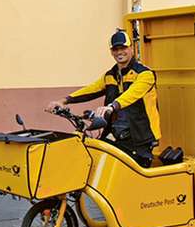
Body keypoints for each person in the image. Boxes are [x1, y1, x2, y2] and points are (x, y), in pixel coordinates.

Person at [47, 29, 161, 167]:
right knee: (97, 157)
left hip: (140, 134)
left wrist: (111, 106)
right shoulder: (110, 75)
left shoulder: (145, 74)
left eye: (123, 48)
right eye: (115, 49)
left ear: (131, 48)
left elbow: (132, 94)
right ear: (111, 52)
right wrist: (64, 100)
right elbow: (92, 89)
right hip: (117, 131)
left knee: (125, 173)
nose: (119, 52)